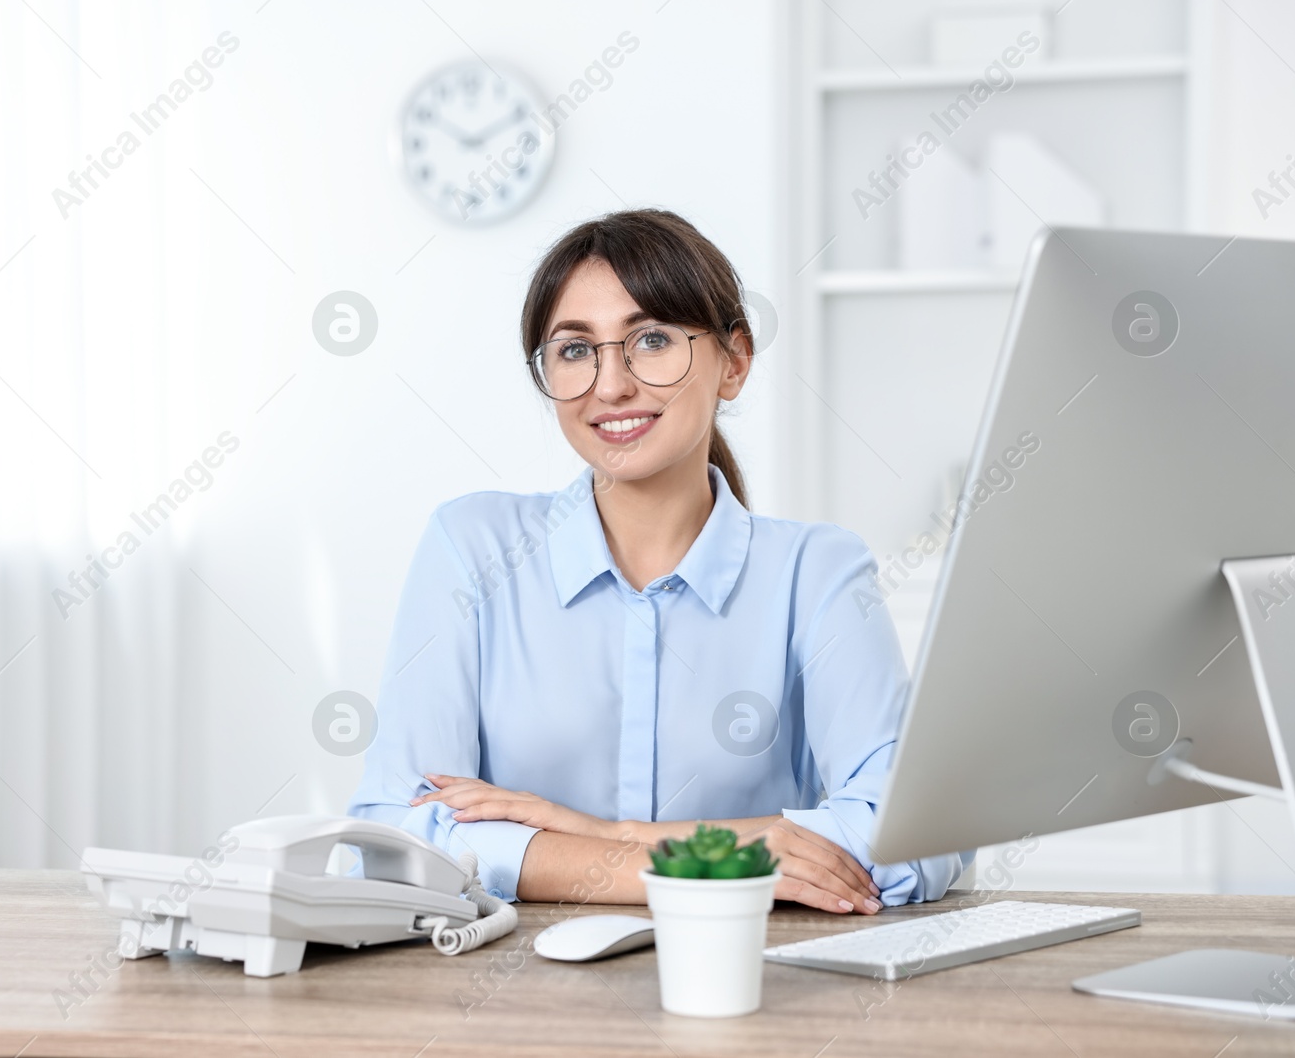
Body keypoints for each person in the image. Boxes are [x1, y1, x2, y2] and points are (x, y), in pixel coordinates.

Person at [347, 208, 967, 912]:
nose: (610, 385)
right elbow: (394, 834)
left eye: (651, 340)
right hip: (519, 997)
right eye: (576, 350)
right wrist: (689, 863)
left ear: (734, 362)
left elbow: (913, 837)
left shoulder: (815, 571)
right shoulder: (473, 546)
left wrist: (612, 833)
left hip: (751, 985)